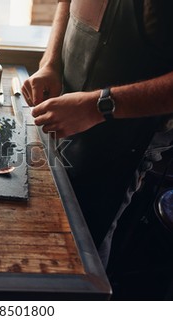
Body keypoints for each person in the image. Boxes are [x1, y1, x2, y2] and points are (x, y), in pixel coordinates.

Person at [22, 0, 173, 267]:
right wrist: (51, 63)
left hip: (126, 137)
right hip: (67, 111)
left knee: (83, 247)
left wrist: (98, 106)